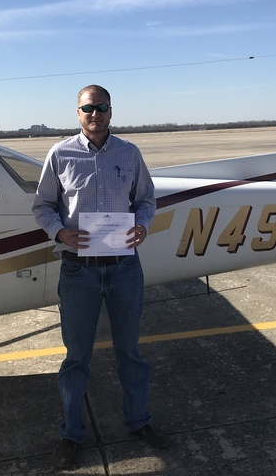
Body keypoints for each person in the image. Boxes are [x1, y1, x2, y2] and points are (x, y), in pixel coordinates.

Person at [32, 84, 168, 471]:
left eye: (102, 107)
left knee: (131, 352)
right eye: (88, 108)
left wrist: (142, 225)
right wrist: (60, 233)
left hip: (125, 267)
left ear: (111, 111)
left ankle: (139, 422)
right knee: (77, 358)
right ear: (78, 112)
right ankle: (71, 432)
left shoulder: (129, 152)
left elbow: (146, 199)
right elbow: (42, 205)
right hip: (79, 270)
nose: (95, 114)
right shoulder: (60, 154)